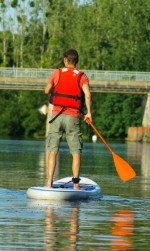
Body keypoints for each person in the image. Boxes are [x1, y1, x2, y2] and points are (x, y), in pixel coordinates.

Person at [44, 49, 92, 189]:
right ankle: (76, 186)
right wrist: (88, 113)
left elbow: (47, 90)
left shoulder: (56, 73)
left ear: (65, 60)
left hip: (56, 116)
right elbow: (87, 95)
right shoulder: (82, 76)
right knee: (76, 152)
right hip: (73, 117)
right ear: (76, 61)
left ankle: (49, 184)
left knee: (53, 150)